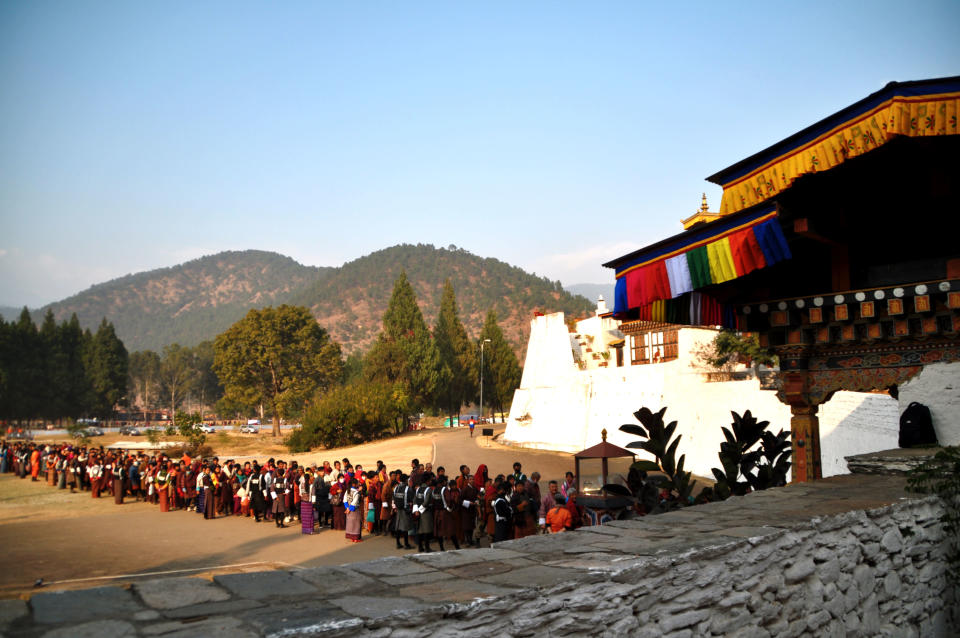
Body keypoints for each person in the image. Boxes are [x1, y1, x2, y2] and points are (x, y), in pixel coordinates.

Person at [393, 474, 415, 550]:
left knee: (398, 526)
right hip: (406, 510)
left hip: (398, 510)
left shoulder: (396, 488)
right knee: (405, 527)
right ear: (406, 480)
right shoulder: (408, 489)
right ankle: (406, 544)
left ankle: (398, 543)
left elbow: (394, 499)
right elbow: (412, 499)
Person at [344, 478, 363, 542]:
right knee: (356, 524)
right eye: (357, 483)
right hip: (354, 510)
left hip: (348, 509)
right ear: (354, 484)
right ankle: (355, 539)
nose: (358, 484)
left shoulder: (348, 490)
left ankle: (352, 538)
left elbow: (345, 500)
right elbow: (354, 502)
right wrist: (349, 509)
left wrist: (347, 508)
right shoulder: (356, 492)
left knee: (350, 524)